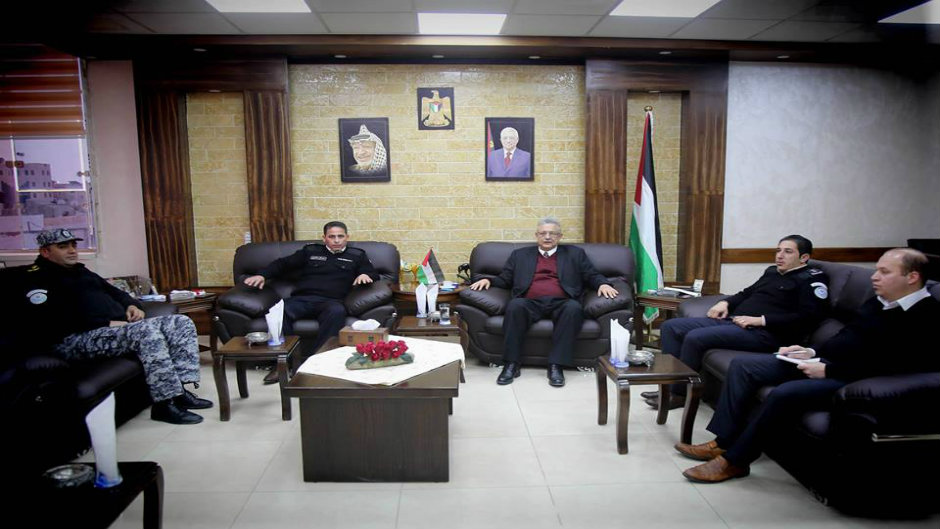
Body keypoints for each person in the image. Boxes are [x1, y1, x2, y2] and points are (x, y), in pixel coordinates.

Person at [676, 248, 939, 483]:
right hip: (826, 361)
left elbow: (893, 365)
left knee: (784, 393)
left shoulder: (926, 316)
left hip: (853, 379)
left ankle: (735, 461)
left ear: (912, 277)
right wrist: (810, 351)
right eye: (876, 270)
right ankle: (722, 442)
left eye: (884, 272)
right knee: (744, 367)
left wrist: (828, 371)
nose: (875, 277)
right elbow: (844, 338)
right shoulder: (878, 301)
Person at [8, 229, 212, 425]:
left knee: (180, 322)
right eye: (63, 247)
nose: (72, 251)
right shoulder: (36, 278)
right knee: (146, 332)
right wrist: (105, 323)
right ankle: (164, 405)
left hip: (109, 330)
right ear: (45, 251)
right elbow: (52, 320)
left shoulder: (81, 271)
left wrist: (132, 305)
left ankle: (180, 391)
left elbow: (117, 293)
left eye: (73, 245)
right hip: (75, 339)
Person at [646, 235, 829, 410]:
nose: (780, 256)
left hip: (766, 334)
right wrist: (725, 303)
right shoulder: (772, 272)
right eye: (778, 250)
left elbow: (808, 317)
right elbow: (746, 293)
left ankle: (679, 394)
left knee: (695, 337)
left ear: (804, 257)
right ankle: (667, 387)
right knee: (670, 327)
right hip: (734, 321)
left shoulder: (812, 280)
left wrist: (761, 320)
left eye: (788, 251)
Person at [470, 217, 619, 387]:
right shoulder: (520, 255)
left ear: (560, 236)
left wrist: (603, 284)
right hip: (529, 302)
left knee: (573, 308)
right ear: (536, 235)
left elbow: (591, 274)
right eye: (543, 233)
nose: (547, 237)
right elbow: (505, 279)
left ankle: (556, 365)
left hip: (563, 302)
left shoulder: (575, 254)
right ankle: (511, 364)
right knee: (515, 306)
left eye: (552, 233)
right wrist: (489, 280)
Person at [243, 221, 378, 379]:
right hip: (302, 299)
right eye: (332, 236)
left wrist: (365, 274)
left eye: (340, 236)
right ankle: (283, 364)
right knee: (279, 311)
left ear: (347, 237)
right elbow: (282, 264)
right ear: (324, 238)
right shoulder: (310, 251)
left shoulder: (357, 255)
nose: (336, 240)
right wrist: (262, 275)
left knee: (337, 312)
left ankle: (317, 362)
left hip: (331, 301)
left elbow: (372, 273)